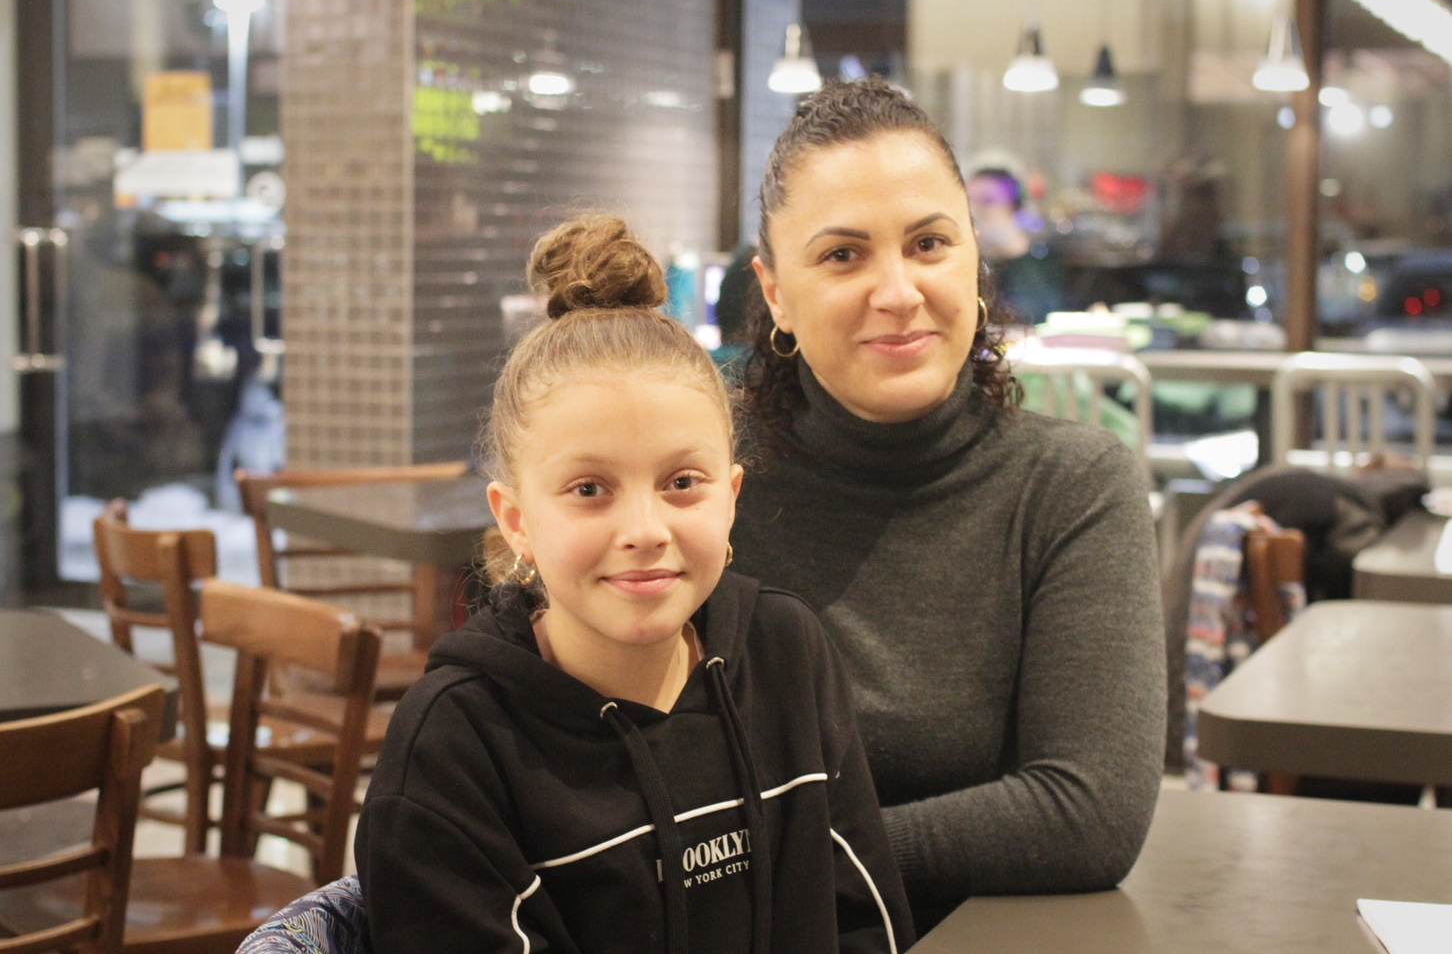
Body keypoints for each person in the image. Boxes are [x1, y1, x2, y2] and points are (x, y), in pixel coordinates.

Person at [355, 215, 914, 954]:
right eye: (589, 489)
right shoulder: (456, 745)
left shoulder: (786, 653)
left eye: (682, 482)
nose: (645, 528)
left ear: (732, 494)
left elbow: (865, 924)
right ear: (516, 520)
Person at [730, 78, 1166, 933]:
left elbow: (1089, 817)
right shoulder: (702, 491)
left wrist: (768, 856)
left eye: (928, 243)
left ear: (974, 261)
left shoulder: (1072, 487)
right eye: (842, 255)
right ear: (775, 290)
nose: (897, 291)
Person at [965, 167, 1066, 324]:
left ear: (1013, 207)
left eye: (987, 201)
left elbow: (1037, 315)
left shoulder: (1042, 255)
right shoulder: (965, 258)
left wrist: (1015, 250)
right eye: (968, 201)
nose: (974, 211)